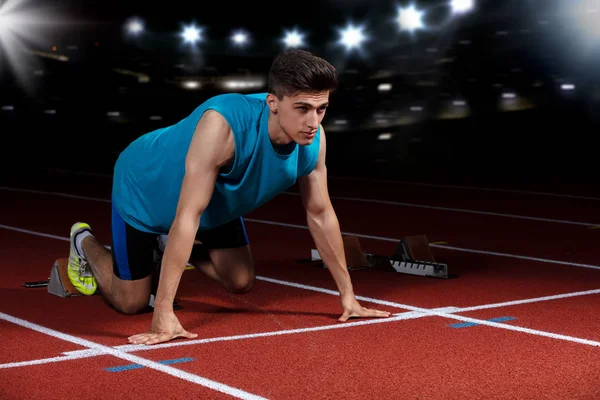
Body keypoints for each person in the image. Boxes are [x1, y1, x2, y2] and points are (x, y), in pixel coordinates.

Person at [67, 48, 391, 346]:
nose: (313, 122)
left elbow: (320, 213)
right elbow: (188, 215)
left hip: (212, 201)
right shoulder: (222, 126)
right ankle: (84, 242)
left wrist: (349, 297)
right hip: (145, 187)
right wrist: (163, 311)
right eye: (303, 109)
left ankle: (166, 248)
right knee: (132, 302)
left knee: (241, 281)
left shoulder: (314, 140)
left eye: (321, 110)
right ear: (273, 102)